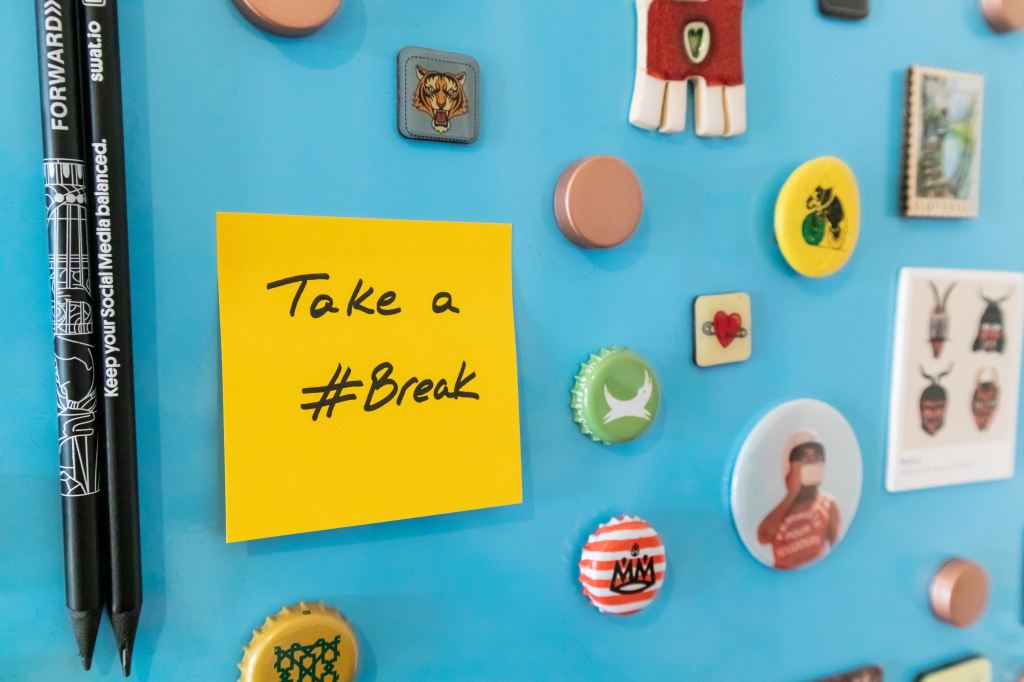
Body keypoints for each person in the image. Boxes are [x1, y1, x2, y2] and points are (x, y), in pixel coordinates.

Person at [757, 431, 841, 570]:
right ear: (790, 468)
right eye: (805, 459)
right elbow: (763, 537)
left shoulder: (828, 505)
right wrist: (792, 493)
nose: (812, 463)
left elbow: (837, 552)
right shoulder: (781, 512)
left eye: (817, 458)